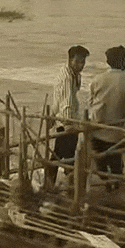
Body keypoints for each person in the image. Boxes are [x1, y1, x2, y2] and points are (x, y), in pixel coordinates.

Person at [89, 46, 125, 189]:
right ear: (122, 61)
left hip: (96, 130)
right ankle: (115, 189)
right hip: (115, 135)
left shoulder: (97, 79)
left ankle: (106, 185)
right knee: (116, 167)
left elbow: (95, 103)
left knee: (101, 164)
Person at [45, 45, 90, 189]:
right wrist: (69, 124)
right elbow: (66, 101)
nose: (81, 65)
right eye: (77, 62)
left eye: (83, 62)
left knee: (59, 154)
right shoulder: (66, 77)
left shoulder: (75, 75)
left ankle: (51, 182)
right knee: (68, 156)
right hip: (65, 121)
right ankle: (70, 186)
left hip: (63, 119)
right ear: (70, 60)